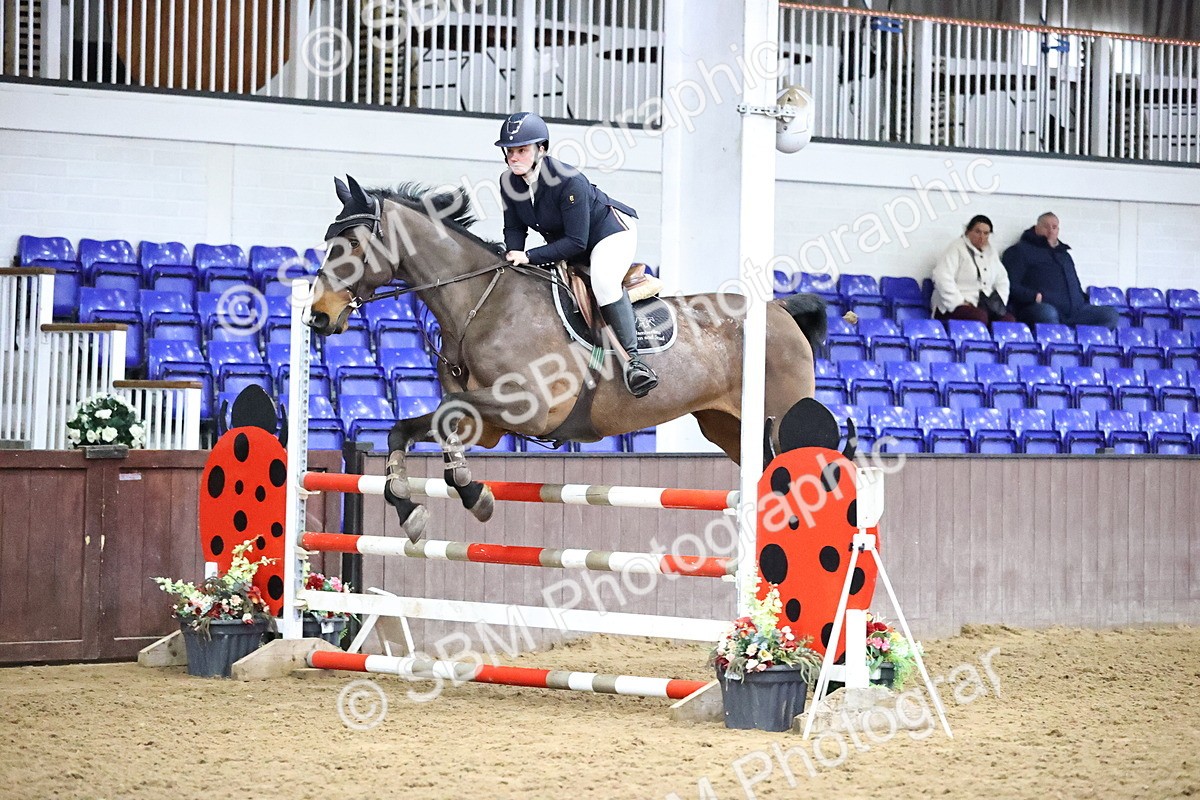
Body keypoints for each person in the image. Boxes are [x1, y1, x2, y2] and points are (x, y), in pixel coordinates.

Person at [495, 111, 658, 398]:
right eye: (509, 151)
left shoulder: (569, 181)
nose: (513, 157)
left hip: (609, 235)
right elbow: (514, 226)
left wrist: (529, 256)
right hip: (569, 242)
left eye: (522, 150)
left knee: (605, 283)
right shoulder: (509, 182)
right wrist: (513, 253)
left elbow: (576, 242)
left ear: (541, 150)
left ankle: (634, 362)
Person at [1001, 212, 1121, 329]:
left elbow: (1075, 283)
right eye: (1046, 227)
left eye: (1054, 227)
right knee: (1048, 313)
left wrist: (1081, 298)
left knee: (1110, 315)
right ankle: (1057, 346)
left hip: (1075, 310)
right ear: (1037, 228)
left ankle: (1084, 345)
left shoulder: (1064, 255)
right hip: (1039, 308)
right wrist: (1033, 296)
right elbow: (1009, 284)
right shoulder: (1020, 251)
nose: (1051, 231)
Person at [930, 214, 1015, 328]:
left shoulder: (991, 253)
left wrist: (1000, 301)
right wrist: (958, 302)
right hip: (955, 306)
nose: (982, 237)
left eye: (986, 233)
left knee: (1008, 320)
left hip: (985, 305)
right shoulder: (956, 248)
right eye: (977, 232)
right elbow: (941, 277)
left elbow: (1002, 280)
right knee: (979, 317)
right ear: (967, 232)